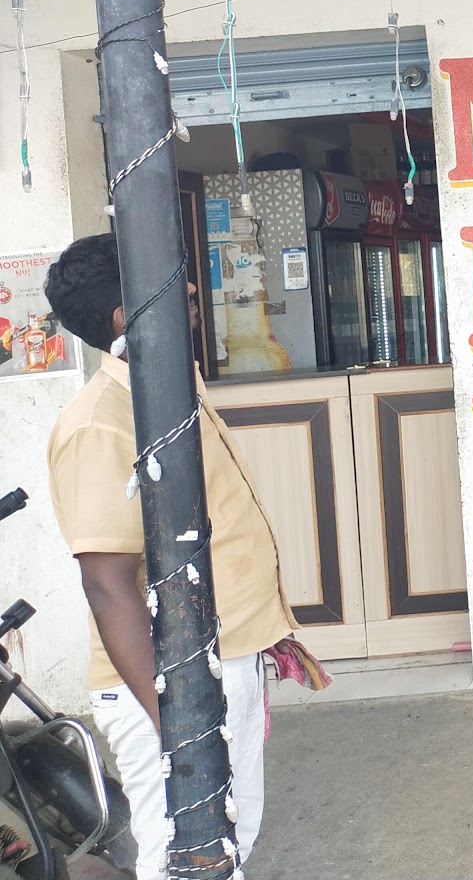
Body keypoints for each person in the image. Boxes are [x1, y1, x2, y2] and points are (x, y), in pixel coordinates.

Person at [44, 234, 297, 880]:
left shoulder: (167, 382)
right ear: (126, 320)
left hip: (215, 662)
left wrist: (253, 641)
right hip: (166, 687)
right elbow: (107, 584)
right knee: (187, 859)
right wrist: (179, 722)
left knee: (228, 843)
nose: (190, 291)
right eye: (172, 280)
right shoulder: (100, 422)